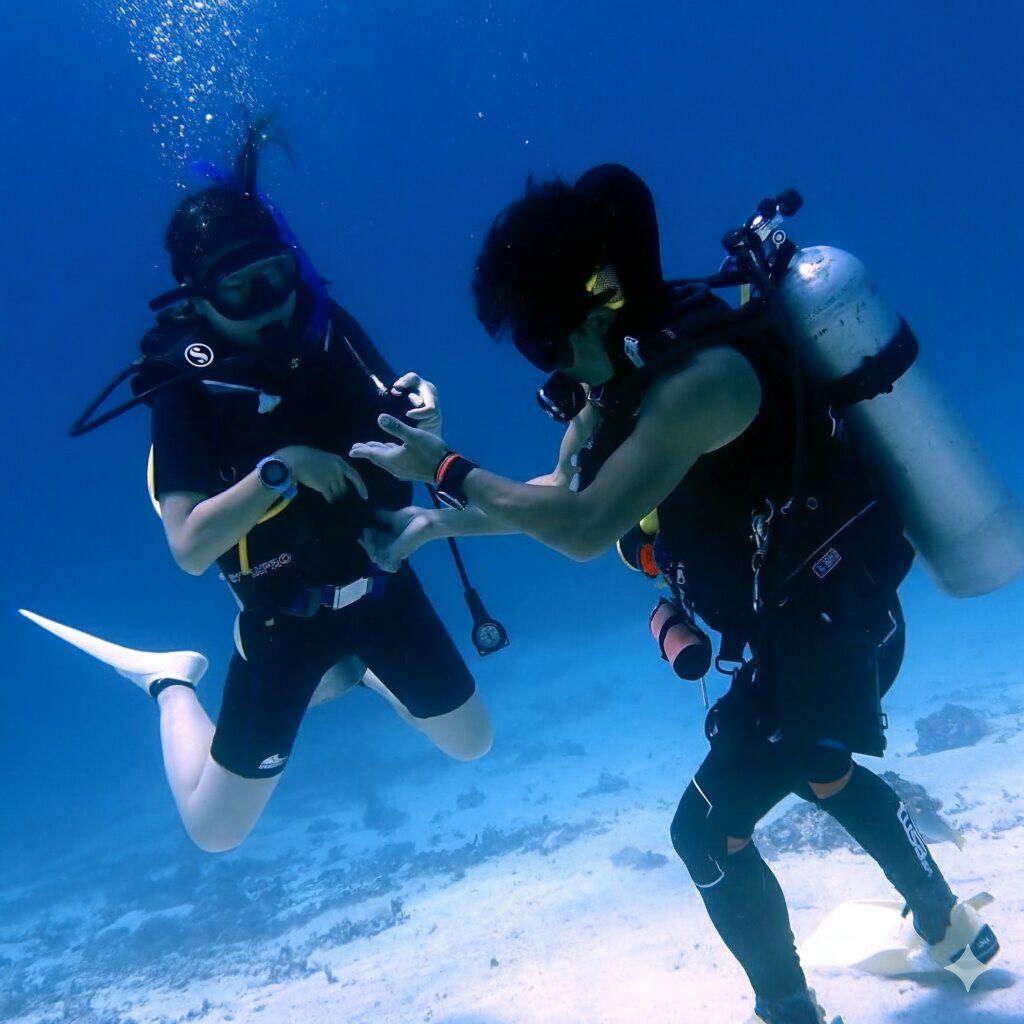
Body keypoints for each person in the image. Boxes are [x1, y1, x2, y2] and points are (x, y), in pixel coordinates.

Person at [349, 165, 999, 1023]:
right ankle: (946, 921)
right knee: (819, 766)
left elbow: (584, 531)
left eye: (546, 341)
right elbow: (558, 496)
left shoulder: (704, 383)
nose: (551, 368)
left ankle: (792, 1013)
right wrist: (435, 527)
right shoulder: (619, 378)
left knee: (705, 836)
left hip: (844, 626)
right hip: (804, 628)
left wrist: (440, 468)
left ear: (600, 297)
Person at [28, 123, 494, 855]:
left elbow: (402, 455)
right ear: (197, 299)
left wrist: (429, 421)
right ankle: (168, 682)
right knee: (214, 831)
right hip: (280, 618)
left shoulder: (328, 328)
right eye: (238, 292)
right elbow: (187, 546)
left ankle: (355, 671)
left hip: (380, 584)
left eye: (276, 276)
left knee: (473, 744)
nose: (270, 305)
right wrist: (282, 468)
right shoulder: (186, 388)